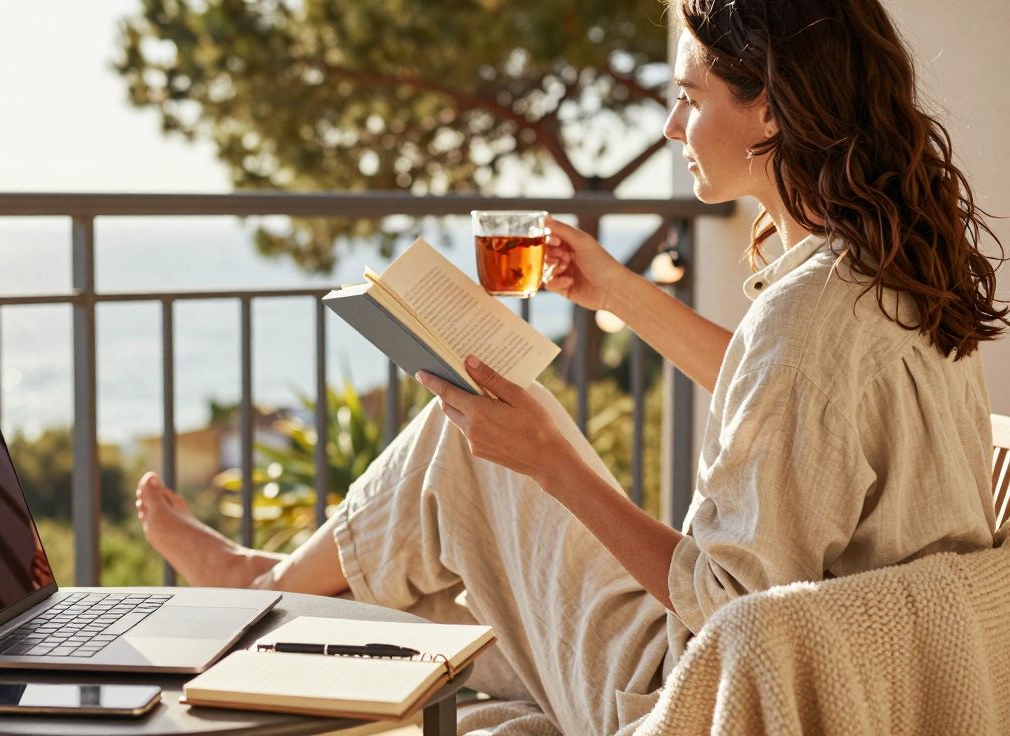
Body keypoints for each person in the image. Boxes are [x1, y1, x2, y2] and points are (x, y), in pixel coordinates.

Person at [136, 0, 1009, 732]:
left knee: (467, 443)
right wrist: (618, 291)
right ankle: (279, 589)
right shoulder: (883, 272)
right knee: (473, 475)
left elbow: (721, 609)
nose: (672, 126)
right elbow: (780, 394)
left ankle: (270, 587)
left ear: (771, 107)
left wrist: (554, 462)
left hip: (703, 692)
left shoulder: (806, 318)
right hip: (859, 672)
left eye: (688, 96)